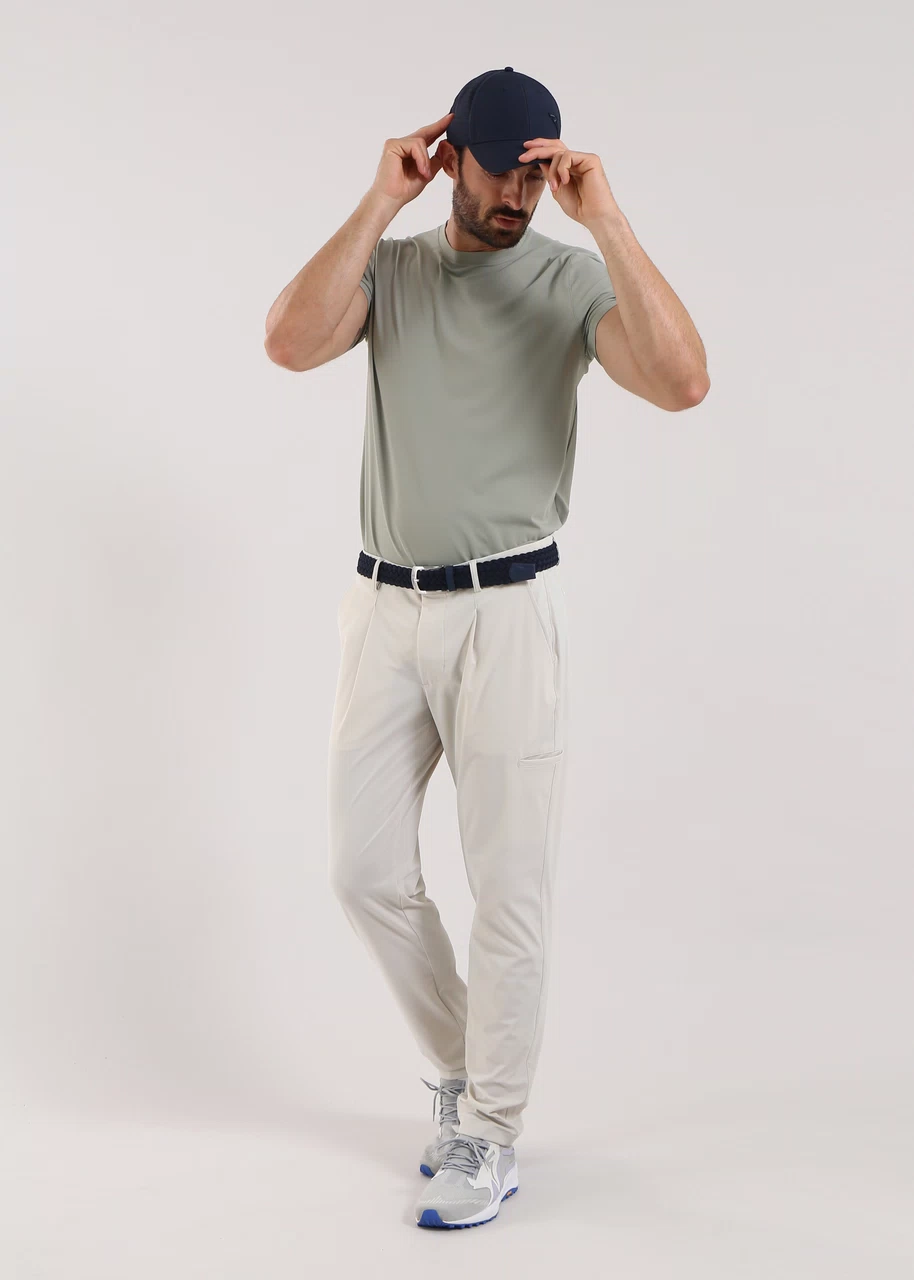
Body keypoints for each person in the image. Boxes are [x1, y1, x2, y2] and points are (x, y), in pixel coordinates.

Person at [264, 67, 709, 1230]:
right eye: (498, 168)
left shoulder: (567, 279)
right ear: (449, 157)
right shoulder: (394, 270)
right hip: (383, 607)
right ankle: (466, 1072)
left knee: (507, 887)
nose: (516, 192)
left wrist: (605, 221)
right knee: (364, 872)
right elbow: (287, 344)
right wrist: (378, 200)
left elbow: (682, 381)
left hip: (504, 614)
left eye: (533, 172)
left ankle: (491, 1130)